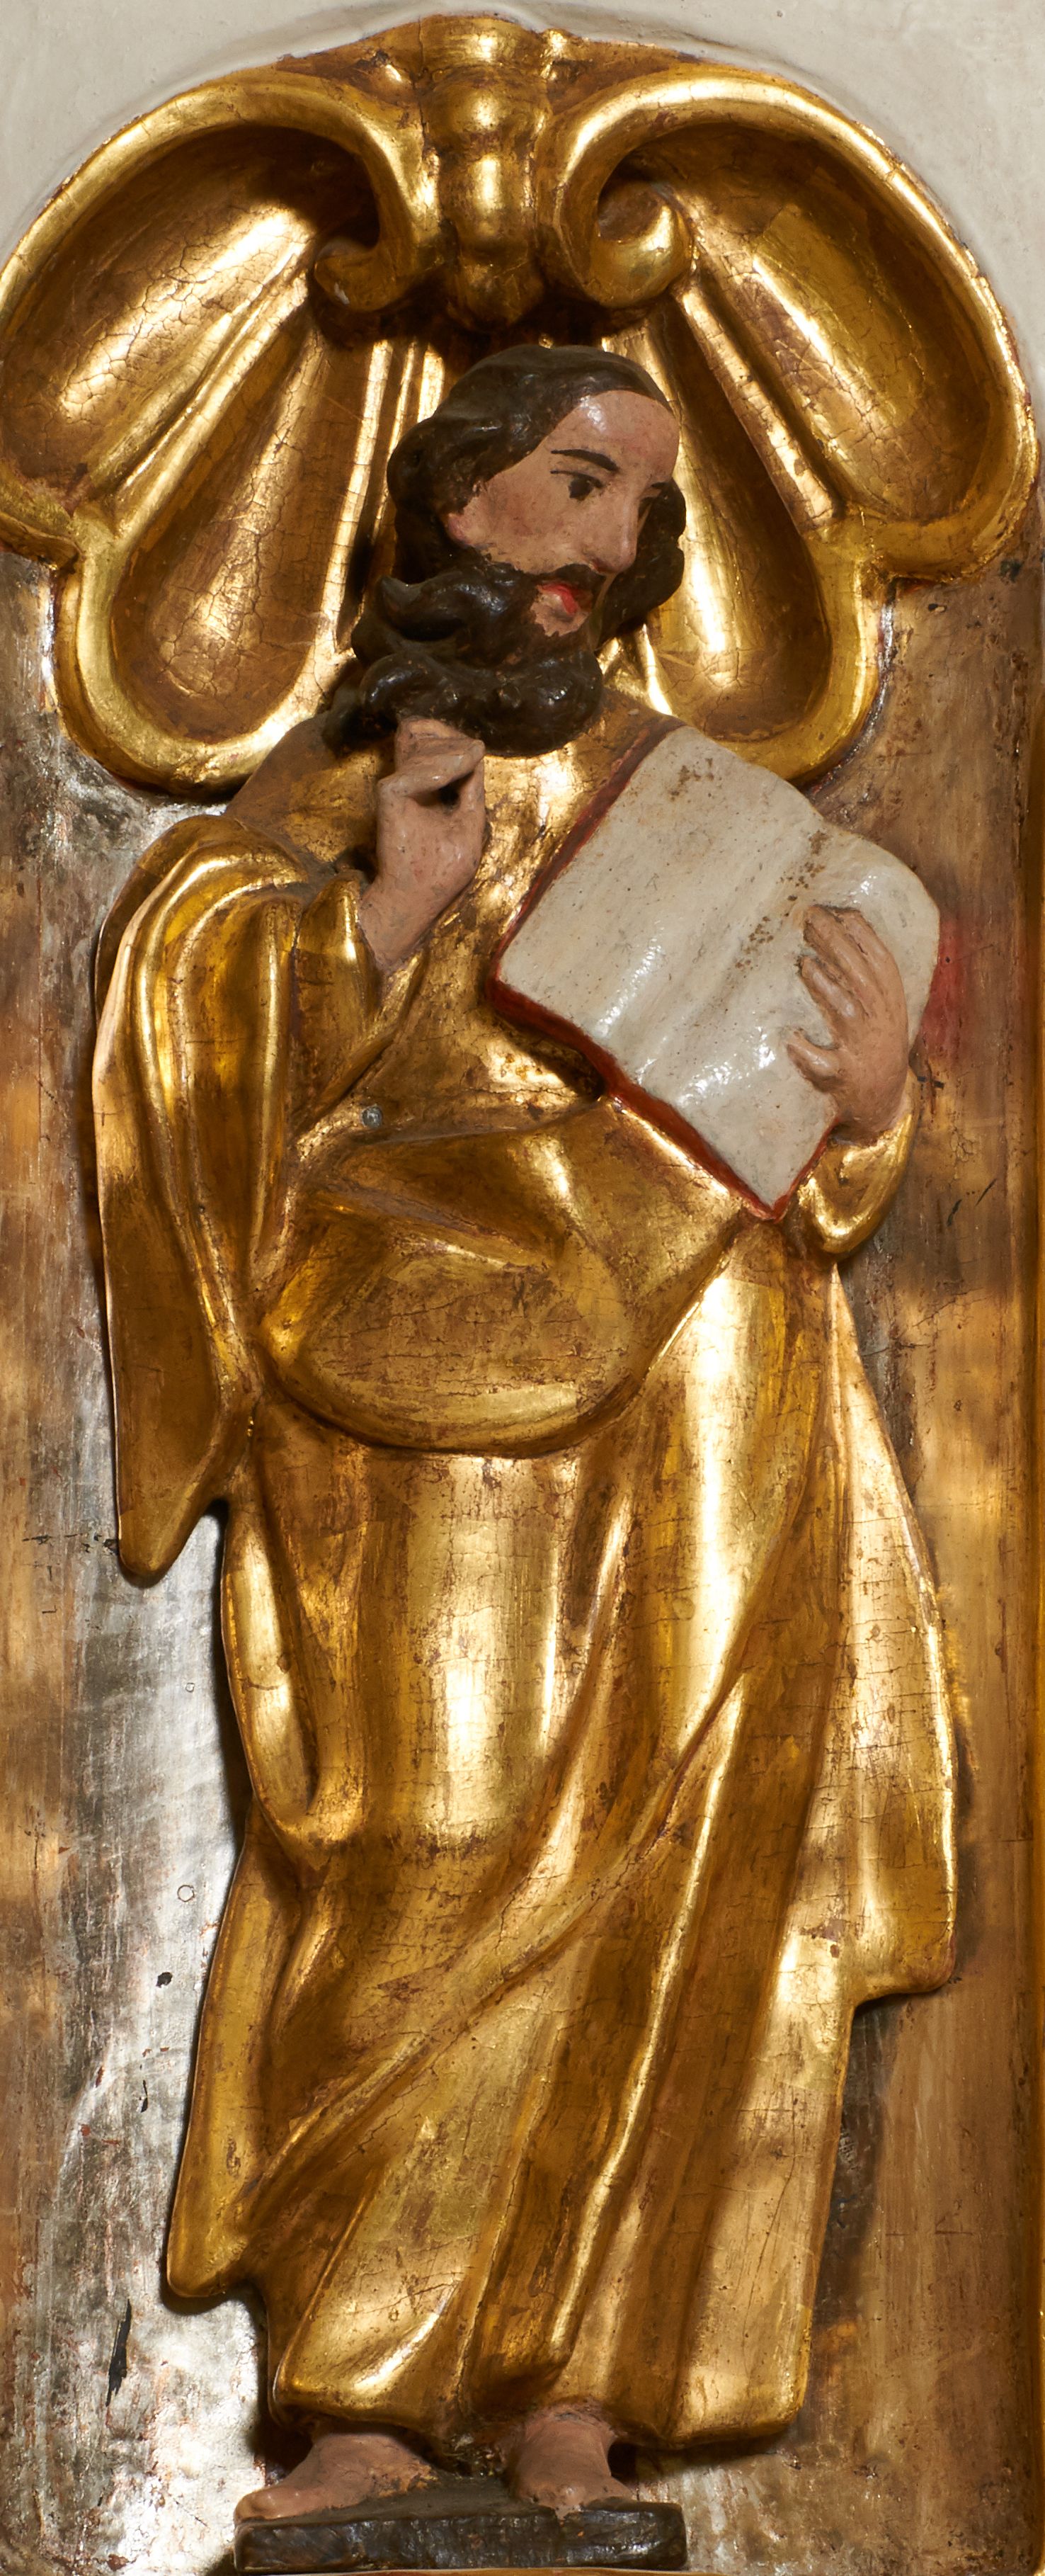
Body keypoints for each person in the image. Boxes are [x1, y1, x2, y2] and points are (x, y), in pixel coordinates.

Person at [93, 345, 955, 2532]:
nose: (601, 543)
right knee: (434, 1829)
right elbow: (196, 1027)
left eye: (635, 509)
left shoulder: (697, 803)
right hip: (409, 1378)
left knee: (674, 1858)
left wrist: (861, 1110)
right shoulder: (356, 771)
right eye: (572, 483)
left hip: (694, 1363)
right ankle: (360, 2395)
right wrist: (381, 908)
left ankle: (586, 2386)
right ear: (456, 494)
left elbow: (801, 1131)